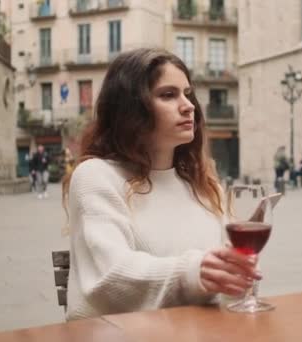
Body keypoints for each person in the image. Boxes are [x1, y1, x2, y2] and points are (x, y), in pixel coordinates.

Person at [62, 48, 259, 319]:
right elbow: (112, 275)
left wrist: (238, 273)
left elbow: (231, 282)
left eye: (187, 94)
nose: (188, 105)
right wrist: (193, 273)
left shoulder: (202, 184)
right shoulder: (95, 176)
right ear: (131, 109)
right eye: (168, 95)